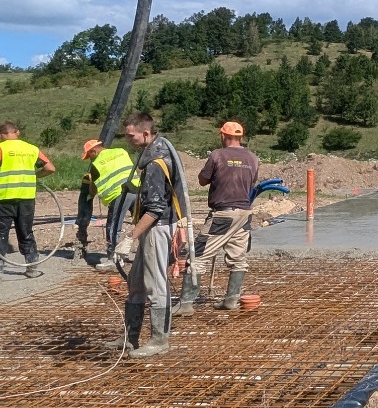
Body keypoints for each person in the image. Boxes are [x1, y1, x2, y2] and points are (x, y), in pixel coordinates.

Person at [116, 109, 187, 357]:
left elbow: (156, 209)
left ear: (145, 133)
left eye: (131, 136)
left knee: (156, 284)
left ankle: (159, 340)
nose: (128, 140)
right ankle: (130, 337)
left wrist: (129, 237)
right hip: (152, 227)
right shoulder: (153, 155)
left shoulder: (156, 163)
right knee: (136, 283)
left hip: (157, 228)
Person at [0, 122, 56, 281]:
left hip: (3, 199)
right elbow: (50, 168)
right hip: (26, 197)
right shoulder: (32, 148)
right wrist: (35, 176)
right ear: (18, 132)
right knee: (26, 231)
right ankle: (31, 267)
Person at [195, 120, 262, 311]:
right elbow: (252, 181)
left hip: (222, 214)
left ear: (223, 136)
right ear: (240, 137)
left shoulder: (217, 155)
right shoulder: (253, 158)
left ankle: (185, 304)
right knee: (238, 258)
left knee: (198, 256)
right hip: (244, 214)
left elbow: (202, 180)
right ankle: (232, 299)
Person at [75, 137, 135, 265]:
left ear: (93, 151)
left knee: (113, 226)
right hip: (137, 190)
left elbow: (92, 190)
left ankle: (112, 258)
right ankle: (145, 254)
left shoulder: (96, 164)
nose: (90, 159)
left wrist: (90, 193)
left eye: (89, 156)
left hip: (118, 194)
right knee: (143, 222)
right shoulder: (121, 151)